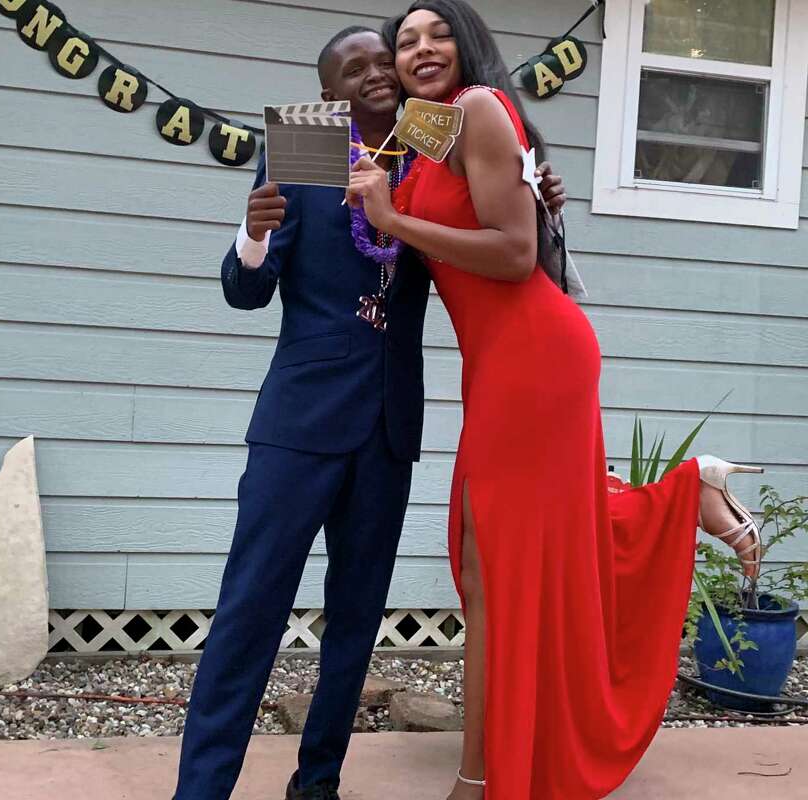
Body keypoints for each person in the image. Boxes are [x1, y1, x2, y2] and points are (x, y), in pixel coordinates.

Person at [345, 3, 766, 798]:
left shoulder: (475, 106)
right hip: (503, 363)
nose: (420, 49)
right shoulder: (433, 133)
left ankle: (479, 778)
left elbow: (512, 254)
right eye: (406, 42)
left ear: (467, 46)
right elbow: (493, 209)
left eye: (437, 34)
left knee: (491, 561)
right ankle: (687, 495)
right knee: (513, 553)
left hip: (533, 357)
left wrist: (396, 217)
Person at [172, 25, 568, 800]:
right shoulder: (306, 140)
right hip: (301, 423)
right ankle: (201, 790)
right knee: (251, 609)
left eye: (382, 60)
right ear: (329, 93)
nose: (376, 74)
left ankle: (317, 783)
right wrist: (252, 235)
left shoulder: (432, 136)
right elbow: (248, 290)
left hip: (388, 423)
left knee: (355, 626)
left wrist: (537, 197)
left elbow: (495, 226)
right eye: (353, 69)